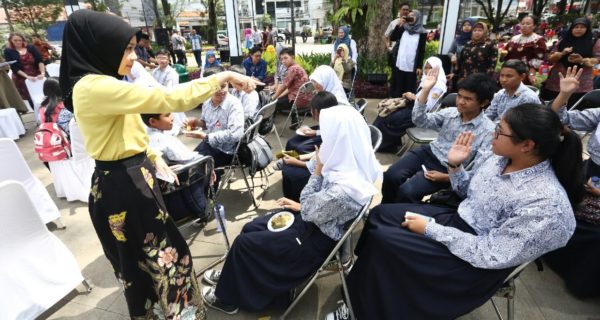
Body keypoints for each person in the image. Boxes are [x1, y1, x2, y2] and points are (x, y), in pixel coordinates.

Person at [59, 10, 260, 319]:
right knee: (155, 266)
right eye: (125, 49)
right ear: (98, 47)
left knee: (161, 263)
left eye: (133, 48)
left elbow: (129, 130)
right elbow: (168, 97)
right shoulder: (92, 86)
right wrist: (224, 77)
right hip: (122, 188)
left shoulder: (105, 82)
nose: (133, 57)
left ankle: (183, 314)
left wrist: (151, 157)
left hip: (133, 179)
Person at [327, 104, 583, 320]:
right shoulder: (500, 159)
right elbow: (467, 191)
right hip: (459, 221)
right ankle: (367, 276)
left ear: (526, 145)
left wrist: (430, 228)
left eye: (499, 131)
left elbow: (491, 254)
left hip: (475, 261)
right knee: (381, 215)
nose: (492, 134)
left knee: (386, 242)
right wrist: (455, 165)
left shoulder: (546, 204)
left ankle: (362, 309)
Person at [200, 103, 382, 315]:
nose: (324, 141)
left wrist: (318, 171)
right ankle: (232, 279)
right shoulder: (354, 165)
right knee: (251, 227)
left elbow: (308, 205)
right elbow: (312, 205)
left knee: (244, 243)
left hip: (312, 242)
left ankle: (228, 299)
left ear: (341, 139)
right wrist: (319, 166)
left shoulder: (344, 189)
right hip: (315, 224)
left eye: (329, 136)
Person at [381, 71, 496, 204]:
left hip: (448, 168)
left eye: (468, 99)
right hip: (429, 152)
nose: (460, 102)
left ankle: (400, 218)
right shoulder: (450, 113)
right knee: (391, 176)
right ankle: (384, 211)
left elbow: (479, 171)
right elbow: (420, 120)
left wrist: (448, 177)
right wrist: (425, 90)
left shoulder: (488, 131)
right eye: (459, 96)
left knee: (408, 192)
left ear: (483, 103)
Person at [544, 65, 600, 299]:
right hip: (591, 173)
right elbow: (560, 119)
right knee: (558, 201)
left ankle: (582, 284)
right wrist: (564, 94)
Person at [373, 56, 447, 153]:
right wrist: (410, 96)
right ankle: (376, 140)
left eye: (431, 68)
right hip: (411, 107)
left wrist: (413, 97)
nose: (427, 70)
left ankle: (384, 145)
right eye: (426, 67)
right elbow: (419, 97)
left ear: (437, 69)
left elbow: (427, 107)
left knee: (390, 118)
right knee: (385, 111)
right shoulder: (425, 80)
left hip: (419, 114)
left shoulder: (438, 86)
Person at [184, 67, 244, 179]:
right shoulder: (207, 102)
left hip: (227, 151)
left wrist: (206, 136)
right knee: (189, 163)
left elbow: (236, 134)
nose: (220, 91)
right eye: (215, 88)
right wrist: (196, 122)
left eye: (223, 86)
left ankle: (209, 191)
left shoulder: (234, 105)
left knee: (198, 170)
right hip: (210, 144)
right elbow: (207, 124)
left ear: (227, 84)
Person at [279, 91, 340, 202]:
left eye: (312, 110)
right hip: (320, 164)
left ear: (318, 111)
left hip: (327, 174)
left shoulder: (333, 132)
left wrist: (297, 161)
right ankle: (283, 159)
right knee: (291, 148)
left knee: (289, 171)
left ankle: (293, 203)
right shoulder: (334, 124)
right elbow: (320, 154)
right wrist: (300, 158)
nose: (311, 113)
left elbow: (320, 165)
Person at [541, 18, 600, 108]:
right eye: (576, 27)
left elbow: (597, 59)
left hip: (580, 83)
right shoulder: (563, 41)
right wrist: (562, 53)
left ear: (587, 29)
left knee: (574, 108)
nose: (578, 29)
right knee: (552, 108)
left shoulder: (594, 42)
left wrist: (582, 60)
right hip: (557, 81)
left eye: (582, 27)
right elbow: (551, 58)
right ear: (571, 28)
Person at [388, 10, 428, 98]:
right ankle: (395, 104)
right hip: (399, 63)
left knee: (408, 88)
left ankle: (407, 107)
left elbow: (421, 50)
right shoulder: (403, 28)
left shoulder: (422, 33)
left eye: (413, 15)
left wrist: (419, 66)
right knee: (397, 87)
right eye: (409, 15)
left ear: (417, 18)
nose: (410, 17)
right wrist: (399, 25)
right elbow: (393, 38)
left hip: (411, 65)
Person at [501, 15, 547, 85]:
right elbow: (505, 53)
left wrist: (531, 74)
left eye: (528, 24)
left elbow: (538, 59)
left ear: (534, 26)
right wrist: (503, 54)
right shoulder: (514, 39)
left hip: (523, 74)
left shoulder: (537, 40)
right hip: (508, 71)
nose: (524, 26)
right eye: (522, 24)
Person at [3, 32, 45, 109]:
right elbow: (14, 68)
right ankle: (38, 115)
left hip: (37, 75)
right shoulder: (8, 51)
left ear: (23, 40)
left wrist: (42, 73)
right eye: (15, 40)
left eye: (20, 40)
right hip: (21, 78)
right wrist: (27, 77)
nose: (18, 42)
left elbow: (40, 61)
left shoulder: (31, 48)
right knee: (31, 98)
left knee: (43, 95)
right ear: (11, 41)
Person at [271, 47, 310, 130]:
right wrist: (277, 96)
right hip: (305, 99)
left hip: (297, 101)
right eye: (281, 59)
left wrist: (273, 98)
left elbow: (283, 86)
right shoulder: (298, 67)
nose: (283, 61)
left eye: (285, 58)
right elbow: (290, 88)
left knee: (272, 104)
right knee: (278, 98)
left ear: (292, 57)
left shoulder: (293, 69)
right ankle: (295, 121)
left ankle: (268, 125)